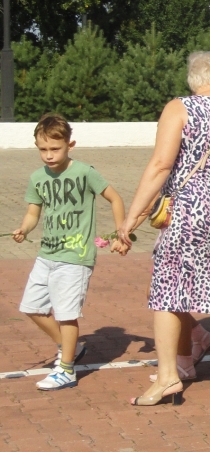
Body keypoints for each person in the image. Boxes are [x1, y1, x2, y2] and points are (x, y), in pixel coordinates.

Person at [118, 51, 210, 405]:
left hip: (190, 208)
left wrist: (131, 216)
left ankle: (168, 376)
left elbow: (160, 164)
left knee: (168, 289)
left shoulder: (179, 107)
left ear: (193, 80)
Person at [11, 114, 126, 391]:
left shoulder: (85, 172)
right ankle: (70, 347)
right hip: (46, 254)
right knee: (31, 307)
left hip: (75, 257)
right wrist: (24, 229)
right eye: (43, 150)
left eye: (55, 149)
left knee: (66, 314)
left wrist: (121, 231)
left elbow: (114, 197)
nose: (49, 156)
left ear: (69, 145)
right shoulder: (37, 178)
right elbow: (33, 212)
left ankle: (66, 370)